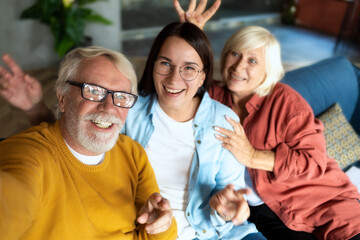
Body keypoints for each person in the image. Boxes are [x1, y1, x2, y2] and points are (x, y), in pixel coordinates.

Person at [0, 23, 265, 239]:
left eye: (189, 68)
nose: (174, 79)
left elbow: (230, 195)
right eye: (165, 64)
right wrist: (34, 107)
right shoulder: (127, 108)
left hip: (214, 232)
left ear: (203, 76)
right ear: (152, 66)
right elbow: (71, 133)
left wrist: (227, 209)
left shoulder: (224, 120)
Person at [174, 1, 360, 240]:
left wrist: (251, 155)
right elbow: (185, 80)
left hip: (323, 200)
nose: (239, 65)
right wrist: (191, 36)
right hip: (262, 212)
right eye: (235, 53)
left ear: (267, 69)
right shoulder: (214, 96)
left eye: (252, 60)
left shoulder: (285, 102)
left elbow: (313, 163)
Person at [0, 46, 177, 240]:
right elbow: (13, 199)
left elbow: (153, 233)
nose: (109, 108)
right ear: (63, 99)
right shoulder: (30, 152)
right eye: (94, 91)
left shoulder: (133, 153)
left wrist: (161, 224)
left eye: (121, 96)